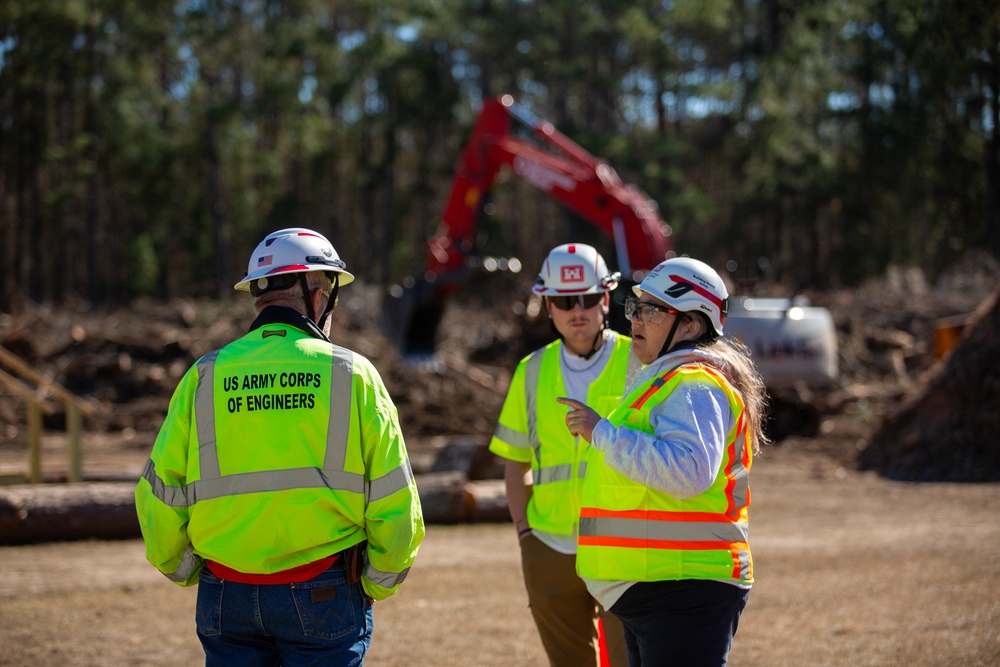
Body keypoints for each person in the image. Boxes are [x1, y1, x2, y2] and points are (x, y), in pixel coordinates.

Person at [135, 227, 424, 666]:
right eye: (329, 288)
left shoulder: (204, 375)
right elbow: (394, 497)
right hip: (323, 592)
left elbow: (159, 490)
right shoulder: (353, 374)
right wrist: (379, 581)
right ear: (314, 291)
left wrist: (182, 567)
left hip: (224, 594)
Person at [558, 256, 769, 667]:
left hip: (682, 587)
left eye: (652, 310)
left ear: (690, 325)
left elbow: (689, 470)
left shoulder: (693, 384)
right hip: (661, 586)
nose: (636, 319)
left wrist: (602, 433)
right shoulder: (668, 379)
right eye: (635, 307)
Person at [489, 243, 635, 667]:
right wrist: (524, 535)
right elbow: (515, 461)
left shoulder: (637, 362)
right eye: (564, 301)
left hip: (621, 546)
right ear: (547, 306)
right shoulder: (531, 370)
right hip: (549, 548)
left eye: (588, 299)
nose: (578, 310)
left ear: (606, 298)